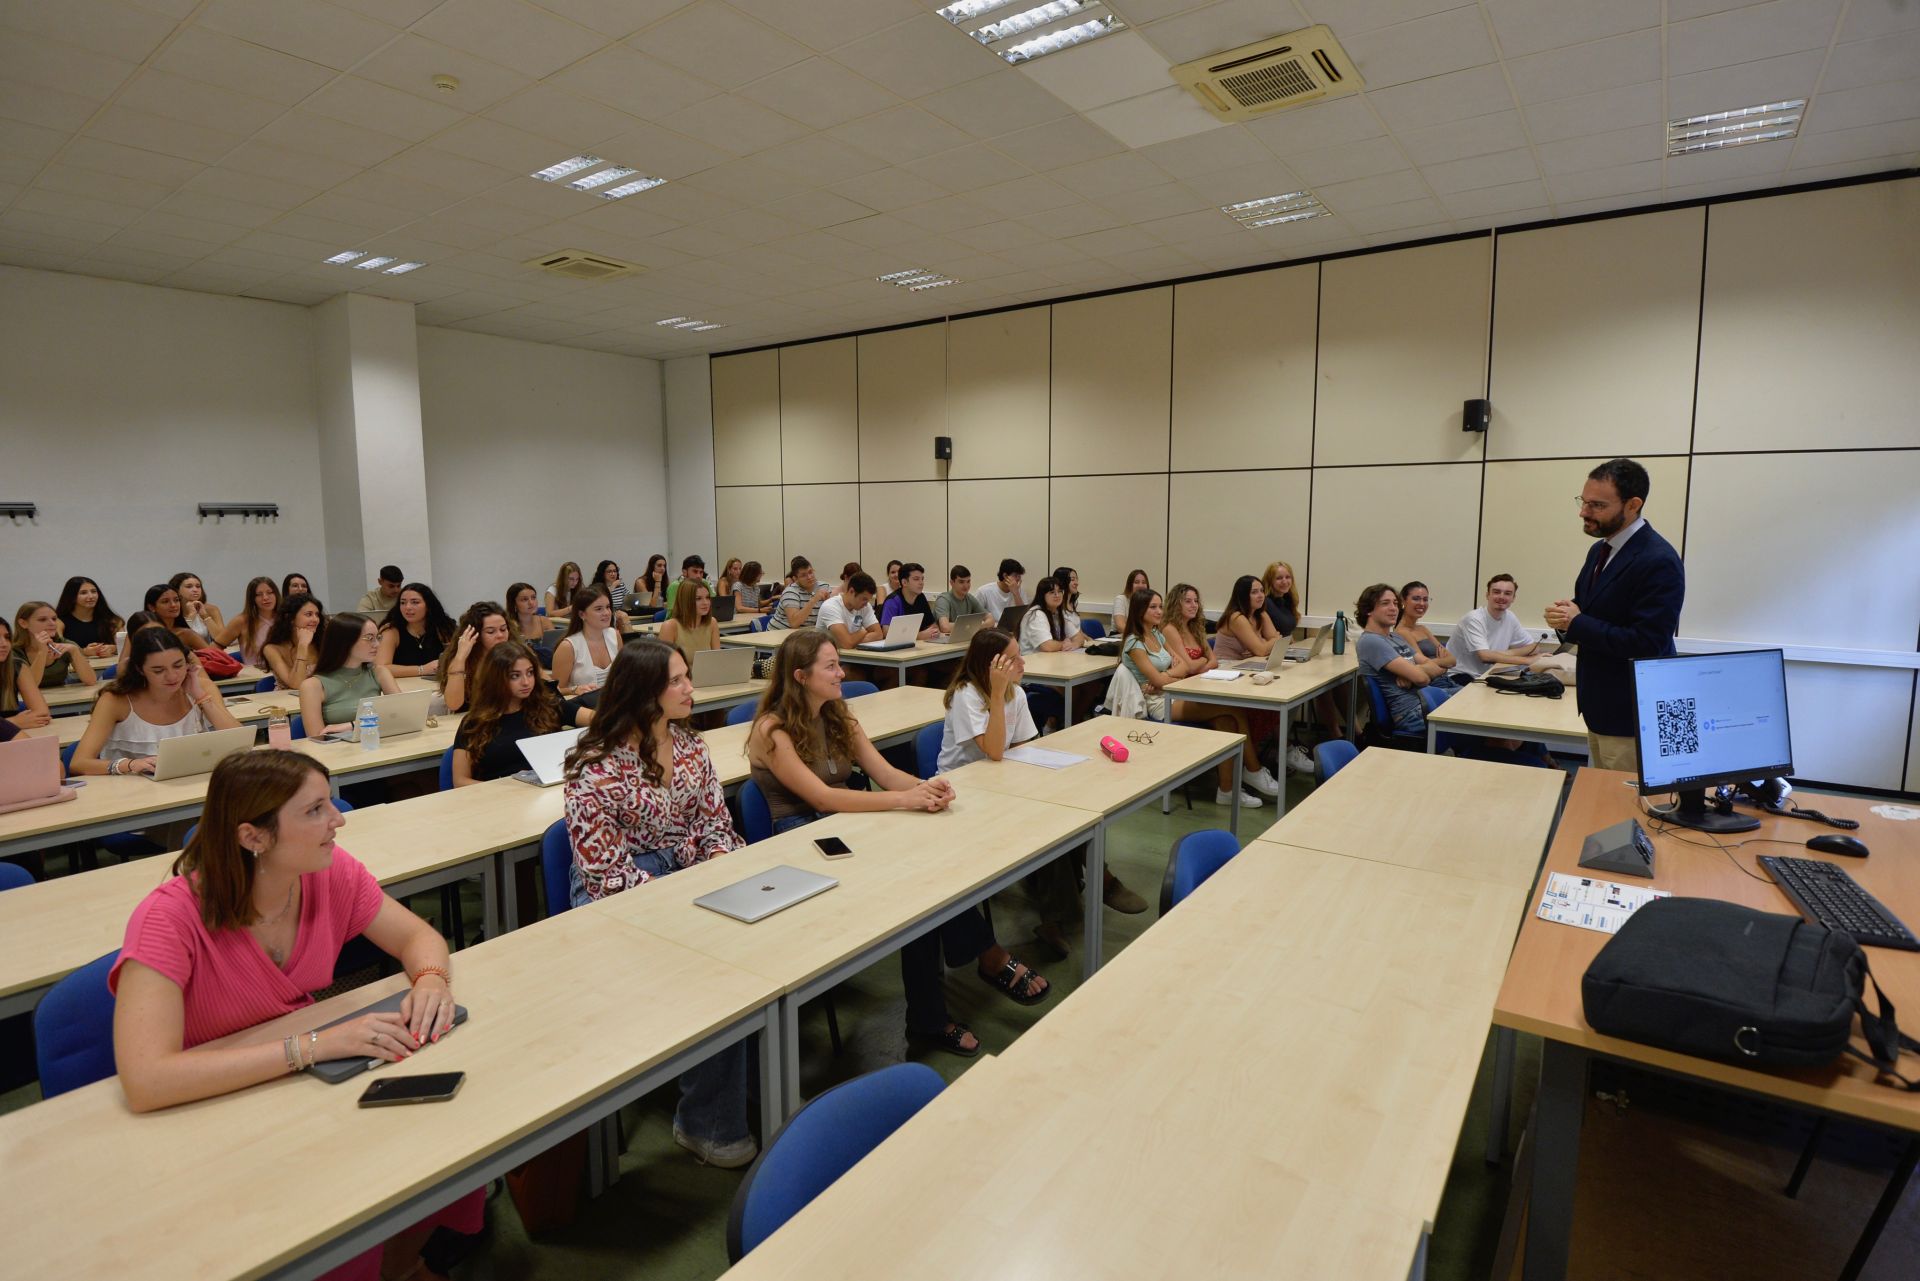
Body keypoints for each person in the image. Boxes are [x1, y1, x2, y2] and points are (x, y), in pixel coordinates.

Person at [109, 750, 483, 1278]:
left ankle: (400, 1264)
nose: (339, 820)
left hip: (294, 1089)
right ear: (252, 837)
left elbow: (417, 936)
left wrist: (430, 979)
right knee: (344, 1222)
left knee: (444, 1159)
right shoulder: (167, 918)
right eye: (315, 811)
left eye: (330, 803)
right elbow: (146, 1081)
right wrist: (312, 1047)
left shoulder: (329, 875)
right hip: (208, 1115)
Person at [749, 630, 1041, 1053]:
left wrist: (927, 787)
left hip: (843, 824)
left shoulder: (838, 715)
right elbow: (821, 796)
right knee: (913, 890)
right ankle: (975, 968)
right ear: (799, 676)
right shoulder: (771, 729)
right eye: (830, 667)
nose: (841, 672)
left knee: (925, 881)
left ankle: (941, 1003)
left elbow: (885, 774)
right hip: (799, 839)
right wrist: (905, 799)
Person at [563, 639, 756, 1167]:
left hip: (688, 875)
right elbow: (605, 875)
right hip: (620, 893)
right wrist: (684, 906)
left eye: (686, 676)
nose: (689, 688)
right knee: (711, 967)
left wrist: (720, 870)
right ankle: (706, 1123)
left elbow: (716, 824)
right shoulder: (594, 765)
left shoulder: (692, 746)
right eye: (676, 681)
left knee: (755, 941)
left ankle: (733, 1088)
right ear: (643, 692)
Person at [1548, 458, 1685, 772]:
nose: (1584, 512)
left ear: (1633, 505)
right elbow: (1585, 611)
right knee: (1602, 806)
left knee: (1628, 812)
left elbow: (1647, 642)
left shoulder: (1658, 560)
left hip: (1633, 716)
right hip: (1599, 708)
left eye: (1597, 505)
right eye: (1583, 502)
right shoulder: (1600, 550)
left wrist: (1577, 622)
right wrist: (1564, 621)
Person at [1120, 590, 1277, 808]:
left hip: (1170, 692)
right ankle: (1254, 770)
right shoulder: (1134, 643)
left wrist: (1165, 678)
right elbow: (1160, 677)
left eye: (1160, 606)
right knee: (1236, 710)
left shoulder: (1157, 635)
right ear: (1139, 611)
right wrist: (1166, 677)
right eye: (1153, 607)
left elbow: (1183, 668)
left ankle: (1226, 791)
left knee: (1228, 721)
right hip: (1157, 704)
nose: (1159, 611)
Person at [70, 629, 245, 775]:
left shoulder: (201, 687)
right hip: (133, 791)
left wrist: (199, 696)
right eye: (158, 670)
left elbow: (241, 744)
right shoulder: (116, 700)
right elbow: (79, 763)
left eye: (178, 665)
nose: (172, 676)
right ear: (140, 669)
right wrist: (129, 765)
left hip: (190, 782)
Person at [451, 641, 590, 785]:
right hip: (498, 798)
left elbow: (600, 721)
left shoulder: (550, 706)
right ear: (496, 679)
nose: (526, 682)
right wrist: (502, 790)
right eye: (515, 676)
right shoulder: (474, 722)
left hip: (547, 793)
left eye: (530, 673)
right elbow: (460, 780)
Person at [1212, 574, 1309, 774]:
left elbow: (1280, 641)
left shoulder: (1260, 614)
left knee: (1283, 699)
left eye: (1261, 591)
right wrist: (1267, 644)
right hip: (1226, 671)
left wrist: (1266, 644)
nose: (1260, 596)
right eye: (1254, 592)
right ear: (1242, 596)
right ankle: (1254, 760)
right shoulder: (1236, 617)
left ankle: (1274, 751)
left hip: (1246, 667)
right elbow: (1264, 648)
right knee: (1267, 705)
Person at [1262, 558, 1345, 740]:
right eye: (1279, 578)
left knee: (1323, 685)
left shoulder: (1286, 601)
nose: (1285, 581)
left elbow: (1285, 632)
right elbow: (1271, 636)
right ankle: (1282, 742)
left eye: (1287, 577)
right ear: (1269, 581)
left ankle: (1337, 734)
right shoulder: (1266, 604)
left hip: (1285, 653)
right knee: (1304, 688)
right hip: (1271, 658)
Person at [1354, 584, 1444, 738]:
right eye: (1385, 603)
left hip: (1423, 703)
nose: (1394, 608)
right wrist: (1416, 672)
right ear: (1368, 610)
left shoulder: (1395, 637)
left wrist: (1412, 673)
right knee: (1471, 715)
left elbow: (1436, 668)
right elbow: (1422, 679)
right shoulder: (1371, 641)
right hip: (1410, 713)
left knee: (1472, 702)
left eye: (1395, 603)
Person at [300, 614, 400, 737]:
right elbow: (317, 737)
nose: (377, 644)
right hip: (338, 751)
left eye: (378, 637)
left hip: (375, 744)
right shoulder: (313, 685)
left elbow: (401, 714)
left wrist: (351, 725)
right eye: (369, 638)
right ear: (345, 642)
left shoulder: (378, 672)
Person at [1452, 573, 1541, 680]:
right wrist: (1528, 661)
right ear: (1487, 595)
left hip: (1489, 673)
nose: (1501, 597)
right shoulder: (1474, 618)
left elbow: (1534, 647)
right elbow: (1485, 657)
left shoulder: (1510, 617)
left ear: (1513, 598)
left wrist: (1507, 653)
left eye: (1507, 593)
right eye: (1496, 592)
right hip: (1462, 676)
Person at [437, 601, 512, 713]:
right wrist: (460, 657)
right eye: (491, 632)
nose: (500, 636)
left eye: (503, 629)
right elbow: (453, 704)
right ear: (474, 634)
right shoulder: (461, 660)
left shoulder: (515, 655)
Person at [375, 582, 455, 679]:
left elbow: (457, 659)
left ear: (428, 605)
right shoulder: (391, 631)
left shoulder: (443, 627)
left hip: (437, 687)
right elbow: (380, 668)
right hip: (403, 688)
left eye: (415, 602)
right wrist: (422, 669)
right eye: (403, 603)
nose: (407, 607)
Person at [552, 586, 622, 695]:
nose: (607, 613)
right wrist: (574, 690)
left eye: (608, 607)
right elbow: (554, 691)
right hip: (584, 707)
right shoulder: (568, 647)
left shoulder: (615, 635)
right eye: (599, 609)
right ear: (582, 614)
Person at [12, 600, 96, 689]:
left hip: (60, 697)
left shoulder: (66, 645)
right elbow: (28, 687)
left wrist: (74, 651)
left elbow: (91, 681)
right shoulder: (13, 651)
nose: (52, 623)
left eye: (54, 619)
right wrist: (42, 653)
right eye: (42, 619)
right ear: (23, 623)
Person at [1395, 581, 1460, 684]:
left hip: (1447, 680)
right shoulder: (1402, 632)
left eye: (1425, 599)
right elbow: (1423, 667)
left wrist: (1435, 664)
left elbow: (1452, 660)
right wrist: (1443, 665)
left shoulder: (1422, 629)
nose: (1422, 603)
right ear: (1403, 601)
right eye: (1416, 598)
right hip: (1433, 686)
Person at [262, 593, 324, 691]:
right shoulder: (271, 649)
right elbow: (297, 684)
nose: (315, 619)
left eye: (317, 615)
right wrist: (303, 646)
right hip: (288, 703)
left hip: (320, 697)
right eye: (309, 614)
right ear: (290, 618)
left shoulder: (322, 642)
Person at [213, 576, 278, 668]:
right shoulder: (241, 621)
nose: (265, 597)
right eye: (259, 594)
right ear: (252, 599)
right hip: (256, 677)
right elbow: (214, 648)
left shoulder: (286, 617)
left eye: (270, 592)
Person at [0, 617, 52, 730]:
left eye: (7, 637)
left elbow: (42, 713)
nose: (4, 644)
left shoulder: (16, 665)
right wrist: (12, 722)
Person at [1018, 576, 1088, 655]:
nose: (1057, 595)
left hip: (1050, 659)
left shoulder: (1057, 612)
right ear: (1042, 595)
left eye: (1060, 591)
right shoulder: (1036, 614)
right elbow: (1047, 646)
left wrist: (1074, 644)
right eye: (1052, 592)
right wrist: (1063, 644)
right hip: (1032, 662)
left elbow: (1079, 637)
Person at [54, 576, 122, 656]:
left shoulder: (112, 620)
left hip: (108, 666)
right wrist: (83, 652)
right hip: (74, 668)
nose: (91, 596)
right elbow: (56, 649)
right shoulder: (59, 622)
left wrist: (113, 648)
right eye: (83, 593)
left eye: (93, 591)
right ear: (72, 597)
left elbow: (127, 647)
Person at [818, 572, 885, 651]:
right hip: (828, 658)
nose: (866, 604)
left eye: (868, 600)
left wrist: (852, 640)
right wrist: (863, 631)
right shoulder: (830, 606)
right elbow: (847, 643)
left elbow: (878, 634)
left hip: (852, 656)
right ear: (851, 591)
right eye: (864, 599)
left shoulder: (865, 606)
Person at [658, 580, 721, 663]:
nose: (705, 603)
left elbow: (717, 659)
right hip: (681, 675)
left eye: (707, 597)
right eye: (698, 599)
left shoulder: (712, 622)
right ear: (685, 601)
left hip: (707, 674)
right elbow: (664, 665)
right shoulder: (670, 626)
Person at [880, 562, 941, 641]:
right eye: (916, 579)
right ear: (904, 582)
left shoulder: (921, 597)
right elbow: (886, 633)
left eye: (922, 579)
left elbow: (933, 626)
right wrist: (919, 636)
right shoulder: (892, 601)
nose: (921, 583)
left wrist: (935, 632)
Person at [770, 556, 831, 631]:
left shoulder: (824, 586)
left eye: (810, 572)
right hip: (779, 634)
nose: (809, 577)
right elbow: (794, 623)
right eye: (803, 575)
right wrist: (814, 599)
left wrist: (829, 603)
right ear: (795, 579)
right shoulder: (790, 592)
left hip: (806, 632)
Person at [164, 572, 223, 647]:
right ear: (177, 590)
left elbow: (222, 640)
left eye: (198, 586)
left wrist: (205, 616)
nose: (195, 590)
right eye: (189, 587)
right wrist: (191, 617)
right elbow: (175, 642)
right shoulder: (172, 611)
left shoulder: (211, 609)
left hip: (210, 654)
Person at [141, 584, 202, 651]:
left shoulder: (186, 634)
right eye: (165, 601)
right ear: (151, 607)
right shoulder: (141, 633)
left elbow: (212, 655)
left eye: (176, 600)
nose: (173, 605)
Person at [932, 564, 984, 635]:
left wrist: (973, 627)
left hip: (961, 637)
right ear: (952, 583)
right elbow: (945, 627)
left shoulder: (969, 597)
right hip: (944, 641)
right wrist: (971, 626)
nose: (966, 586)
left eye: (968, 581)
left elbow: (991, 620)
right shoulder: (943, 599)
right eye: (961, 582)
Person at [976, 558, 1025, 622]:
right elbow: (975, 617)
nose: (1018, 579)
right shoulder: (984, 591)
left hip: (1012, 629)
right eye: (1015, 575)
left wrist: (1016, 594)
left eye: (1019, 576)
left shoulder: (1019, 590)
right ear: (1005, 576)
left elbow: (1024, 616)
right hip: (991, 629)